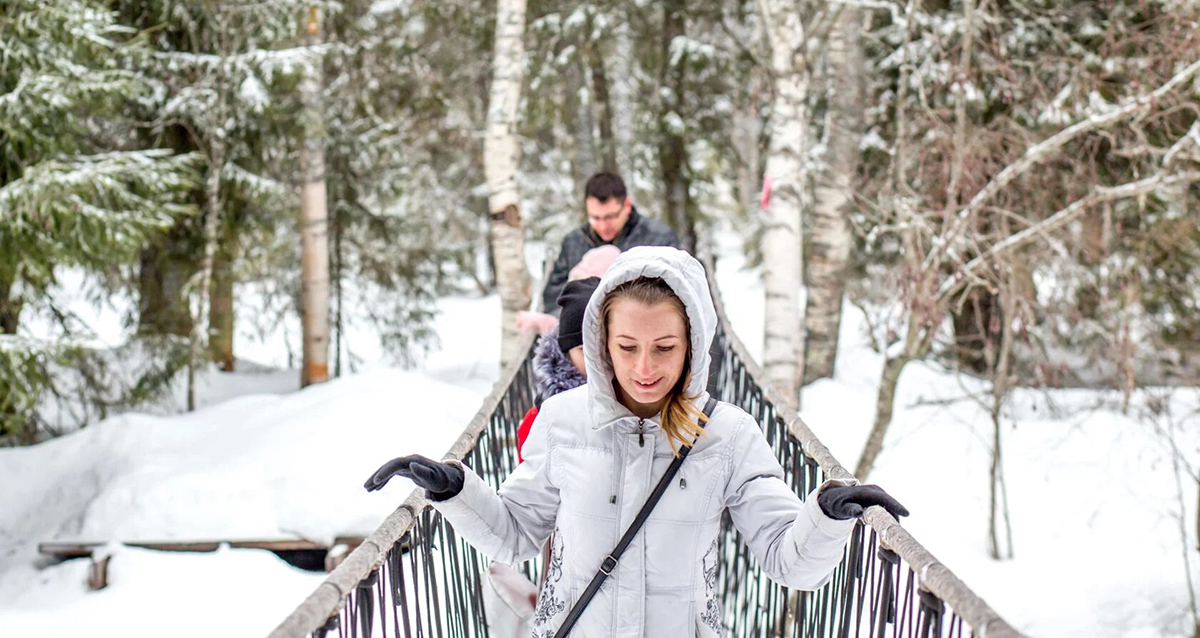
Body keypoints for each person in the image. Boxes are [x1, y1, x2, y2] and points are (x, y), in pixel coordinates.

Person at [365, 246, 908, 637]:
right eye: (626, 347)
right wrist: (455, 490)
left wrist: (828, 514)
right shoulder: (562, 420)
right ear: (601, 342)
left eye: (665, 347)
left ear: (694, 345)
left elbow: (789, 563)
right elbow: (517, 536)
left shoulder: (729, 435)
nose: (644, 369)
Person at [542, 172, 678, 314]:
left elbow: (674, 296)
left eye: (610, 217)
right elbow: (554, 299)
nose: (603, 226)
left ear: (627, 205)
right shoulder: (573, 242)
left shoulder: (658, 239)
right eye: (595, 218)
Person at [515, 277, 599, 463]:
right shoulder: (541, 419)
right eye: (584, 350)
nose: (596, 360)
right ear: (565, 353)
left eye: (605, 348)